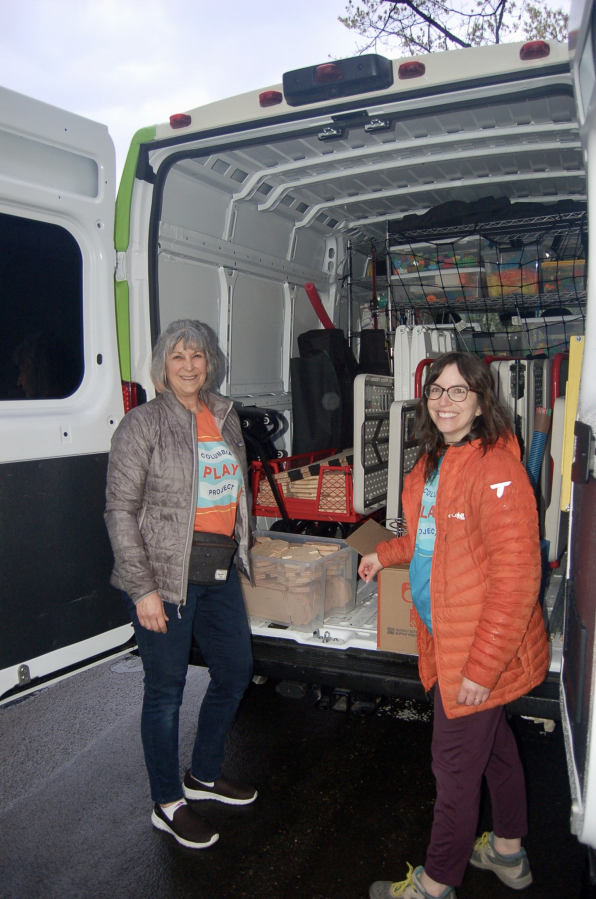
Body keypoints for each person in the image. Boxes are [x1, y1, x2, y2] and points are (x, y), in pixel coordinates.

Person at [359, 351, 549, 899]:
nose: (445, 401)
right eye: (437, 391)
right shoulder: (435, 460)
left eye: (458, 391)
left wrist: (483, 669)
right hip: (449, 631)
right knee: (494, 749)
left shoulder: (497, 471)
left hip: (474, 648)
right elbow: (430, 539)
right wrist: (385, 555)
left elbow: (516, 580)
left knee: (454, 770)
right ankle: (508, 852)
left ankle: (436, 883)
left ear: (482, 400)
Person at [105, 318, 256, 850]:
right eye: (178, 357)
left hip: (217, 570)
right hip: (164, 578)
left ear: (209, 362)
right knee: (166, 690)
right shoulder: (142, 424)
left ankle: (205, 775)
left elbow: (235, 488)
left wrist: (245, 546)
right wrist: (143, 590)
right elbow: (120, 510)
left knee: (236, 668)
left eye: (198, 356)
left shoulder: (224, 414)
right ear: (163, 367)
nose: (190, 365)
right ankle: (168, 801)